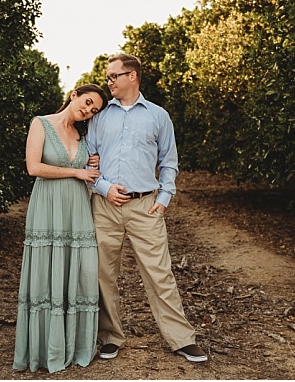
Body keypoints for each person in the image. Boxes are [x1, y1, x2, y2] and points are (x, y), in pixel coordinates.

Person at [86, 54, 208, 363]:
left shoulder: (158, 116)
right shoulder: (100, 116)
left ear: (132, 76)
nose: (109, 82)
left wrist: (163, 199)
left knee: (160, 274)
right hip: (105, 206)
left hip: (145, 207)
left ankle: (182, 339)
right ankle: (110, 337)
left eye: (114, 76)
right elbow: (89, 159)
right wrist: (103, 188)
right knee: (102, 275)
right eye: (108, 77)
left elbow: (169, 161)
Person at [13, 83, 109, 373]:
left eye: (94, 110)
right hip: (47, 207)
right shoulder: (41, 123)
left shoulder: (84, 136)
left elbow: (92, 169)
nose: (88, 111)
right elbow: (34, 167)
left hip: (77, 209)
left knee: (81, 271)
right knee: (46, 271)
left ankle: (76, 345)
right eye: (88, 102)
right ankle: (45, 349)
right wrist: (77, 171)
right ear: (74, 95)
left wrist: (92, 162)